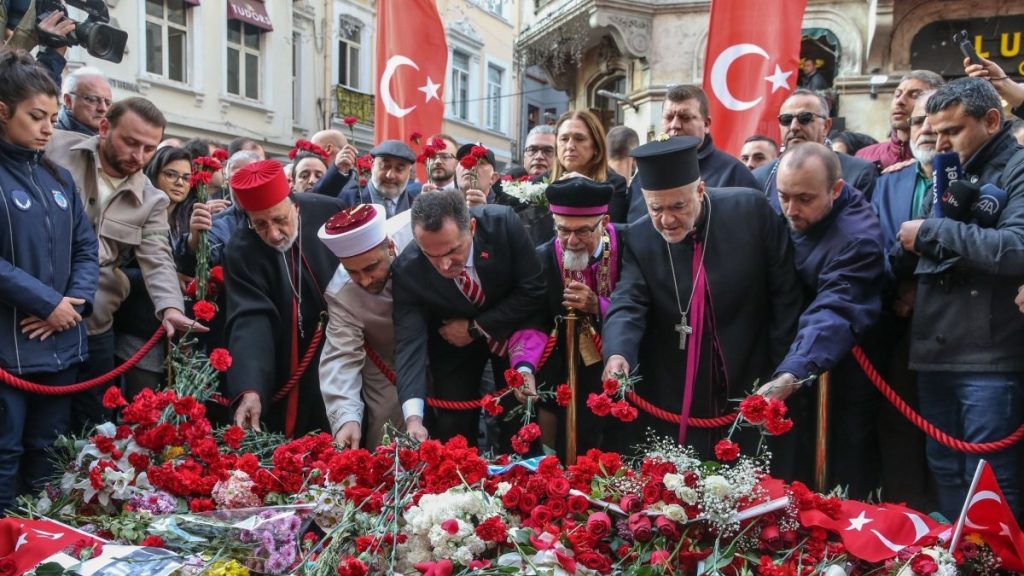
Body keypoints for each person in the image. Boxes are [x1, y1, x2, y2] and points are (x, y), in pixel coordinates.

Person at [601, 136, 802, 459]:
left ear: (700, 190)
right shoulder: (640, 235)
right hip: (677, 384)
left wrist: (782, 370)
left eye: (678, 206)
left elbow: (785, 295)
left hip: (747, 369)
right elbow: (628, 302)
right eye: (656, 208)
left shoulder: (750, 211)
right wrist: (618, 352)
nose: (666, 220)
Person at [897, 77, 1024, 520]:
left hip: (990, 356)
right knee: (945, 470)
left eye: (952, 132)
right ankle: (952, 560)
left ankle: (995, 566)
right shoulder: (950, 168)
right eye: (935, 133)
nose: (940, 143)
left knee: (990, 478)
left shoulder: (1017, 166)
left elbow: (1015, 248)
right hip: (934, 348)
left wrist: (930, 232)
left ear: (992, 120)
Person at [46, 97, 203, 430]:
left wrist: (170, 308)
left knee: (94, 424)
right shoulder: (54, 146)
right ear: (104, 127)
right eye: (131, 143)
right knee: (42, 422)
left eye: (149, 148)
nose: (140, 156)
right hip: (39, 310)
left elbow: (158, 257)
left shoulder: (152, 198)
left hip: (96, 321)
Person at [0, 50, 98, 512]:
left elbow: (86, 246)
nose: (48, 129)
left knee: (51, 453)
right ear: (3, 112)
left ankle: (42, 546)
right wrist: (45, 303)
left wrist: (71, 306)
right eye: (36, 117)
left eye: (52, 117)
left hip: (61, 344)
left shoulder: (56, 176)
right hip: (9, 348)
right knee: (5, 456)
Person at [758, 143, 885, 497]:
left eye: (804, 199)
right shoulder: (781, 202)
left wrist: (794, 371)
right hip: (790, 351)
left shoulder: (857, 238)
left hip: (838, 362)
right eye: (783, 196)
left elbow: (836, 308)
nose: (790, 210)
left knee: (836, 467)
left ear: (836, 190)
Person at [392, 189, 546, 446]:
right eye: (432, 255)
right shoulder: (408, 269)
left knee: (519, 420)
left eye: (453, 250)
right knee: (454, 425)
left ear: (472, 228)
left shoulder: (503, 225)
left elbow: (533, 289)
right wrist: (413, 419)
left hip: (510, 329)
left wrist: (476, 327)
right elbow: (409, 341)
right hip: (452, 345)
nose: (444, 265)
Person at [508, 177, 627, 457]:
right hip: (563, 368)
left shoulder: (628, 245)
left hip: (619, 365)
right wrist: (524, 367)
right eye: (563, 230)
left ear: (604, 221)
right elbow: (533, 319)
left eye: (583, 231)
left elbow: (640, 304)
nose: (572, 241)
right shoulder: (542, 257)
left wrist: (599, 306)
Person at [224, 160, 343, 437]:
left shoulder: (329, 211)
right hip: (283, 355)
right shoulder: (242, 248)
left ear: (296, 207)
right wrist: (250, 387)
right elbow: (250, 318)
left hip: (343, 345)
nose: (274, 234)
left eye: (280, 220)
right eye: (260, 224)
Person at [317, 204, 414, 449]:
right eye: (353, 272)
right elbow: (340, 358)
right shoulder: (342, 294)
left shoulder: (417, 232)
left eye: (371, 267)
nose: (365, 280)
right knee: (388, 436)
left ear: (390, 247)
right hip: (386, 361)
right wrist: (346, 418)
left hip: (445, 343)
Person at [111, 146, 196, 399]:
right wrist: (168, 278)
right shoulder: (134, 212)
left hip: (175, 336)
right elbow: (116, 269)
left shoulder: (187, 218)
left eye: (186, 177)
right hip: (138, 329)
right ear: (154, 173)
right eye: (171, 175)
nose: (180, 183)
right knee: (141, 408)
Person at [625, 85, 759, 222]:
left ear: (706, 124)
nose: (674, 125)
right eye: (669, 117)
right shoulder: (644, 174)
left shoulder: (734, 174)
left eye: (685, 117)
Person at [754, 89, 878, 202]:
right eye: (786, 119)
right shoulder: (760, 178)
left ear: (826, 126)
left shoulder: (858, 173)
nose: (794, 127)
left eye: (805, 118)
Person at [550, 110, 630, 223]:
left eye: (579, 139)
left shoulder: (614, 184)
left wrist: (588, 188)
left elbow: (610, 232)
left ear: (596, 147)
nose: (570, 146)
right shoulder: (543, 182)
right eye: (564, 139)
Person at [856, 71, 945, 170]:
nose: (900, 101)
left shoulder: (946, 158)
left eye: (915, 96)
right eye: (897, 95)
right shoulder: (864, 157)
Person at [339, 140, 422, 217]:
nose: (390, 175)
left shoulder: (418, 208)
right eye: (384, 166)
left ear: (409, 172)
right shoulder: (348, 199)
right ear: (372, 165)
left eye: (399, 169)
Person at [57, 67, 112, 136]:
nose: (103, 108)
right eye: (93, 99)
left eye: (108, 103)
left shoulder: (113, 139)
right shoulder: (49, 138)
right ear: (68, 101)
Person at [309, 130, 358, 197]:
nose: (311, 181)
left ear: (328, 149)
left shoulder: (354, 189)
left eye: (313, 148)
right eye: (304, 176)